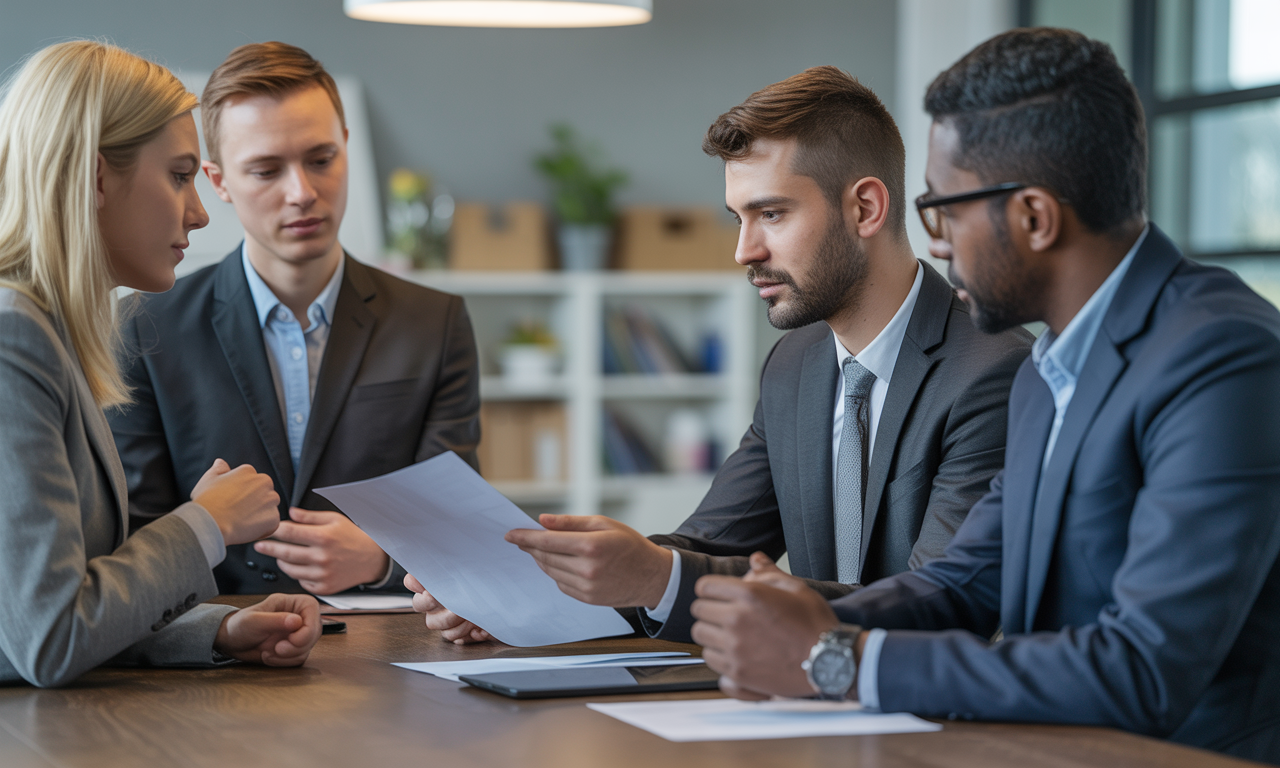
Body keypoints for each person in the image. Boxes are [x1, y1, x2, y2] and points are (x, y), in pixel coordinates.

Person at [689, 28, 1280, 766]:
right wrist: (796, 618)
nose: (935, 243)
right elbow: (965, 582)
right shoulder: (1052, 365)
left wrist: (835, 658)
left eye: (946, 212)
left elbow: (1143, 668)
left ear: (1033, 217)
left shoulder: (1223, 356)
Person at [409, 66, 1030, 644]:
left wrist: (657, 577)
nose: (743, 251)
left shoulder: (992, 372)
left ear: (865, 208)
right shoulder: (795, 365)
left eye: (771, 214)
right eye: (738, 217)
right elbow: (707, 543)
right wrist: (515, 596)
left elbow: (939, 605)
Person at [0, 40, 321, 687]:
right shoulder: (14, 338)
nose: (201, 213)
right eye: (179, 176)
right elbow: (49, 638)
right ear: (94, 177)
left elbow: (38, 618)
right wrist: (208, 523)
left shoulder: (48, 332)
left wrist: (214, 631)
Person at [109, 42, 481, 596]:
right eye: (265, 170)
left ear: (347, 149)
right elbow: (133, 536)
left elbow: (460, 523)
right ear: (219, 182)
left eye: (321, 159)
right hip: (211, 646)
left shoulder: (435, 321)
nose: (302, 193)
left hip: (393, 649)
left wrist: (383, 561)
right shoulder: (145, 326)